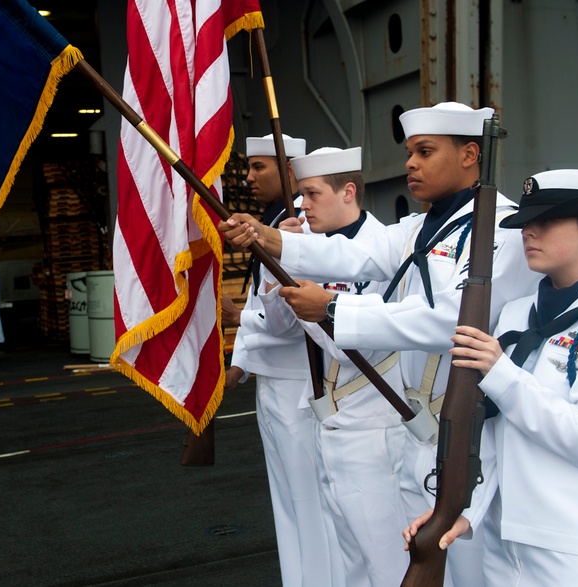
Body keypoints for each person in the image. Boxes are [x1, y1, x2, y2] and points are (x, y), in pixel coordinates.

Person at [220, 102, 539, 587]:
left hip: (470, 433)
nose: (410, 163)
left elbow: (450, 320)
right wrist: (268, 237)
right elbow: (353, 252)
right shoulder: (420, 227)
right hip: (419, 433)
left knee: (467, 571)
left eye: (425, 151)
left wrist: (333, 310)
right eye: (410, 151)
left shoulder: (500, 228)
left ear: (472, 154)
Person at [404, 169, 578, 585]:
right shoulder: (517, 313)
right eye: (526, 222)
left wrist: (502, 374)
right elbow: (494, 433)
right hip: (506, 544)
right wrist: (461, 512)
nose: (529, 232)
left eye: (546, 222)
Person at [257, 146, 411, 585]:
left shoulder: (381, 250)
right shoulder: (313, 249)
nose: (302, 205)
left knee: (383, 558)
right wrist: (279, 262)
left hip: (374, 425)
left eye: (310, 194)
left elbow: (358, 344)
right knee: (347, 558)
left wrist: (322, 307)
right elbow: (279, 325)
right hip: (331, 422)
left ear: (347, 191)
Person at [226, 133, 336, 587]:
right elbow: (259, 309)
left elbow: (284, 320)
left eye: (260, 167)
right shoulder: (274, 220)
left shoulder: (296, 227)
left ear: (289, 170)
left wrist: (243, 329)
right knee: (288, 503)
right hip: (273, 378)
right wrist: (238, 364)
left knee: (308, 506)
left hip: (298, 381)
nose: (250, 177)